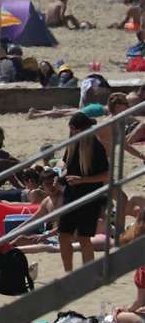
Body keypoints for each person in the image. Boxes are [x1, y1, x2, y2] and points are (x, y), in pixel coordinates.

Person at [58, 112, 110, 272]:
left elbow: (106, 176)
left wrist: (82, 180)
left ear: (76, 128)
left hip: (89, 197)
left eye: (72, 129)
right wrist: (61, 176)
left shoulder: (95, 146)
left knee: (83, 238)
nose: (71, 132)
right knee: (63, 236)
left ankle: (88, 275)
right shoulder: (73, 144)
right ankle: (68, 273)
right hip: (71, 195)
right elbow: (68, 166)